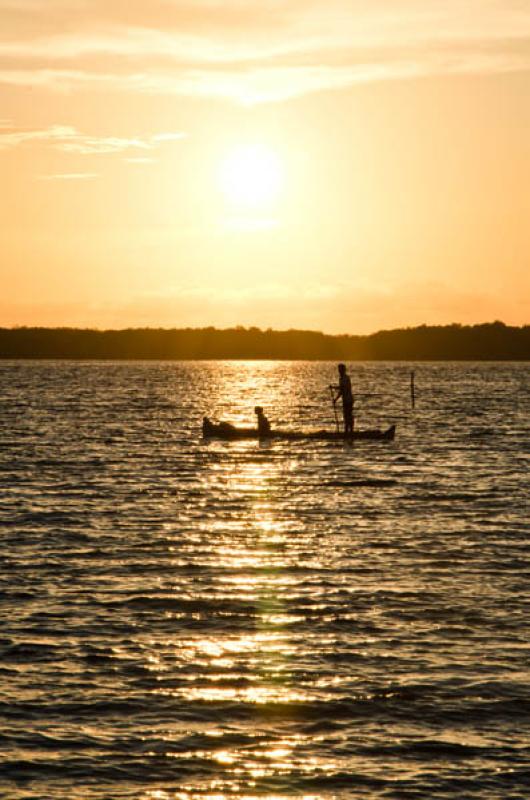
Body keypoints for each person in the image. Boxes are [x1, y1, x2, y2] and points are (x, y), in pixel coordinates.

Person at [333, 363, 354, 436]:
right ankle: (347, 432)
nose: (339, 371)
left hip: (349, 400)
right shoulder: (341, 379)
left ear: (344, 370)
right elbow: (341, 391)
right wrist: (336, 399)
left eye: (341, 370)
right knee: (346, 416)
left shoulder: (346, 378)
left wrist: (334, 388)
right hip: (345, 400)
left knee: (349, 416)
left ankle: (350, 432)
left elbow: (342, 389)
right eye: (339, 370)